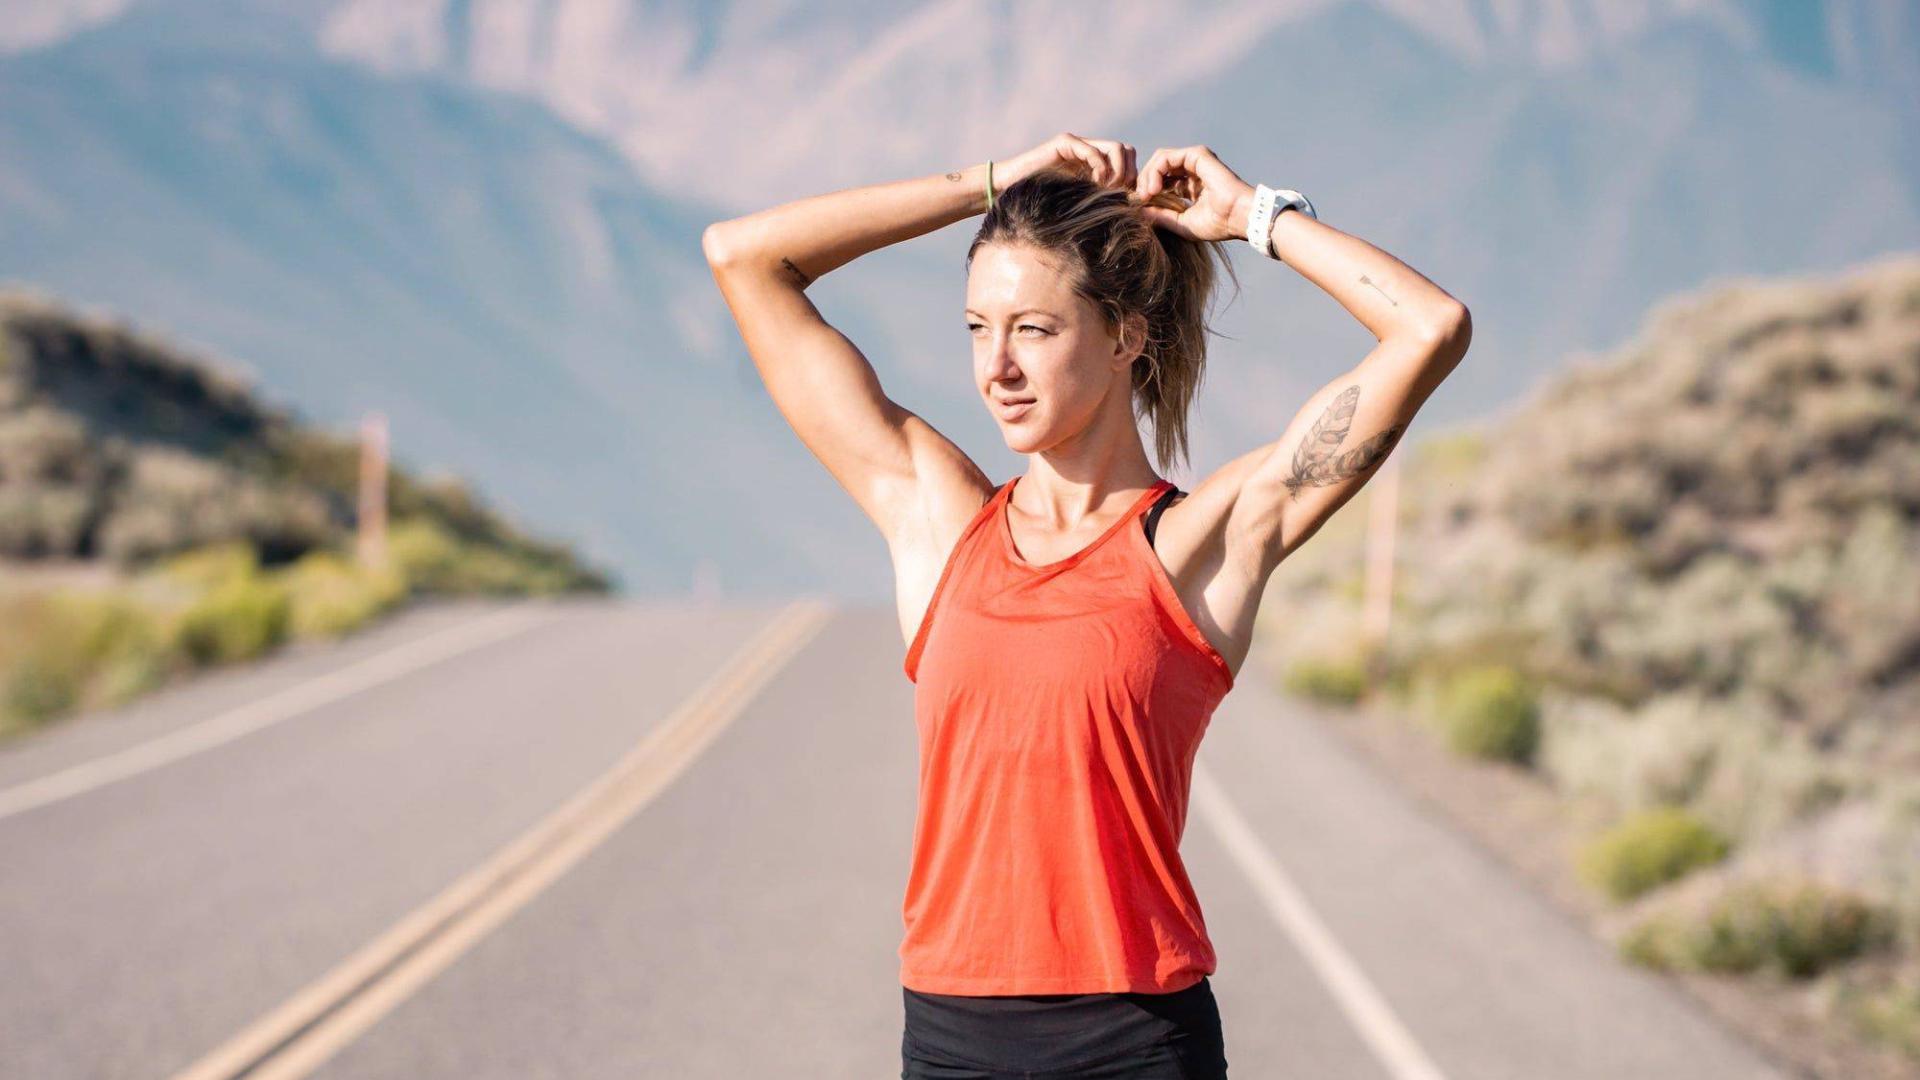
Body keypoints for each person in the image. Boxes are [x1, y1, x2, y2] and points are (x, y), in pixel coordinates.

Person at [703, 133, 1471, 1079]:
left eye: (1033, 329)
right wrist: (993, 182)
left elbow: (1429, 328)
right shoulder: (939, 524)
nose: (996, 367)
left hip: (1134, 1042)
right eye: (977, 327)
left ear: (1123, 338)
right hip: (951, 1041)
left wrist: (1250, 216)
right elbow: (743, 258)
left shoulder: (1200, 546)